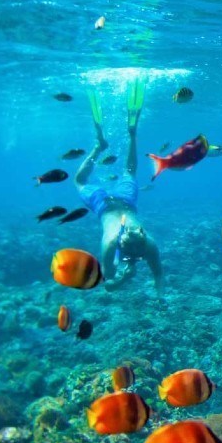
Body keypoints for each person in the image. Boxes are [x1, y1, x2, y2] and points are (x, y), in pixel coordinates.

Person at [74, 78, 163, 293]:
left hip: (123, 201)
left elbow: (110, 280)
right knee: (84, 181)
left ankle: (104, 145)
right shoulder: (129, 245)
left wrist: (125, 275)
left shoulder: (139, 244)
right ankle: (120, 138)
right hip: (106, 204)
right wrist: (124, 279)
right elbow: (111, 285)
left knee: (121, 173)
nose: (134, 254)